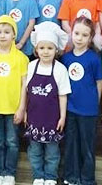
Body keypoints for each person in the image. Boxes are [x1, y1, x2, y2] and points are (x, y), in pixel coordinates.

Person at [0, 15, 30, 185]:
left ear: (14, 34)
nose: (3, 35)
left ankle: (10, 173)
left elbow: (24, 85)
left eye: (7, 32)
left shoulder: (21, 58)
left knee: (12, 142)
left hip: (13, 108)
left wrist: (21, 108)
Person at [23, 22, 71, 185]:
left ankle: (50, 177)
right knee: (35, 150)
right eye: (42, 48)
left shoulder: (60, 69)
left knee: (52, 152)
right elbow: (26, 92)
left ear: (56, 50)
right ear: (36, 49)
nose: (45, 51)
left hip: (52, 118)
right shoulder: (31, 67)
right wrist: (25, 112)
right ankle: (38, 175)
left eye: (50, 48)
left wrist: (62, 117)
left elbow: (63, 95)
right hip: (34, 117)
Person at [60, 17, 102, 185]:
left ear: (90, 38)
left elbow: (99, 84)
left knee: (87, 146)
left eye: (84, 35)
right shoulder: (66, 58)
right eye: (76, 33)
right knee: (71, 144)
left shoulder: (94, 58)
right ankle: (71, 177)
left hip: (88, 111)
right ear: (71, 33)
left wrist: (95, 105)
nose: (79, 38)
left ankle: (87, 179)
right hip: (70, 108)